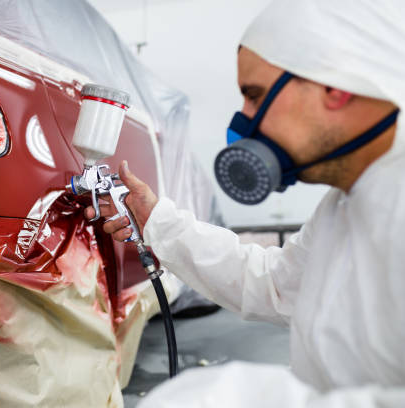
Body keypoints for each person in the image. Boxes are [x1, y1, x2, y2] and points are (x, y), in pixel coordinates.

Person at [85, 0, 405, 406]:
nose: (243, 119)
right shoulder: (343, 207)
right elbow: (274, 284)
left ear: (335, 86)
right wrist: (156, 221)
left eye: (254, 96)